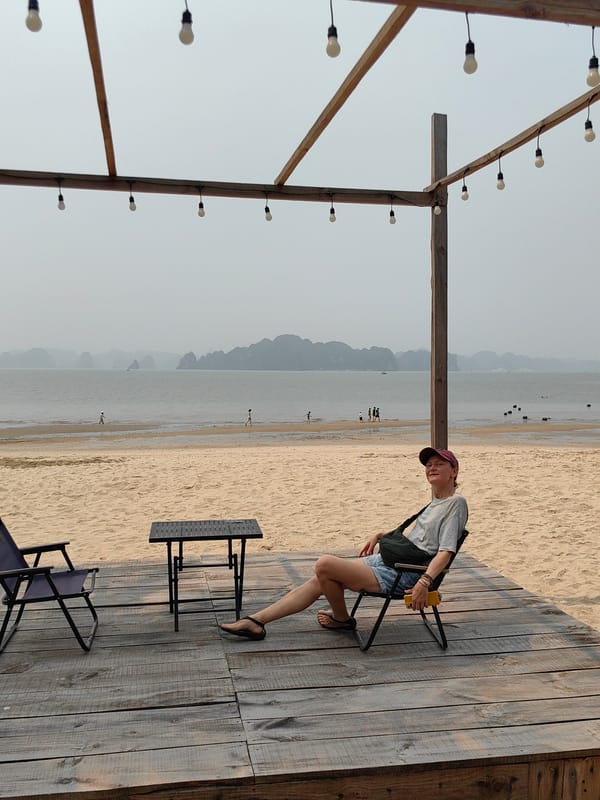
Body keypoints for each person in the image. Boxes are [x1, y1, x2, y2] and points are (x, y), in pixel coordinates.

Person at [219, 447, 468, 641]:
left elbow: (445, 551)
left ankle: (341, 618)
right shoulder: (436, 502)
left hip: (404, 574)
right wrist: (381, 535)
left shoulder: (455, 503)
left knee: (325, 564)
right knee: (321, 578)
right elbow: (419, 539)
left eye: (439, 464)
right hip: (389, 562)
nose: (431, 468)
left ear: (454, 471)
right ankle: (257, 621)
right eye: (429, 465)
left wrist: (424, 582)